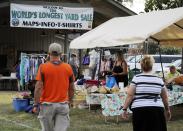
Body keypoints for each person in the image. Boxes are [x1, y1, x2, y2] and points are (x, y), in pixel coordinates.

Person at [122, 55, 171, 131]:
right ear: (152, 65)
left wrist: (124, 109)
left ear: (141, 66)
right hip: (156, 110)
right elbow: (165, 97)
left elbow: (130, 95)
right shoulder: (159, 79)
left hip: (139, 110)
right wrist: (167, 110)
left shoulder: (136, 78)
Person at [33, 43, 75, 131]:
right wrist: (70, 101)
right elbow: (71, 88)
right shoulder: (68, 67)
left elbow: (38, 88)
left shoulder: (43, 67)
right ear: (61, 54)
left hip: (47, 105)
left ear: (49, 53)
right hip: (63, 105)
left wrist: (36, 104)